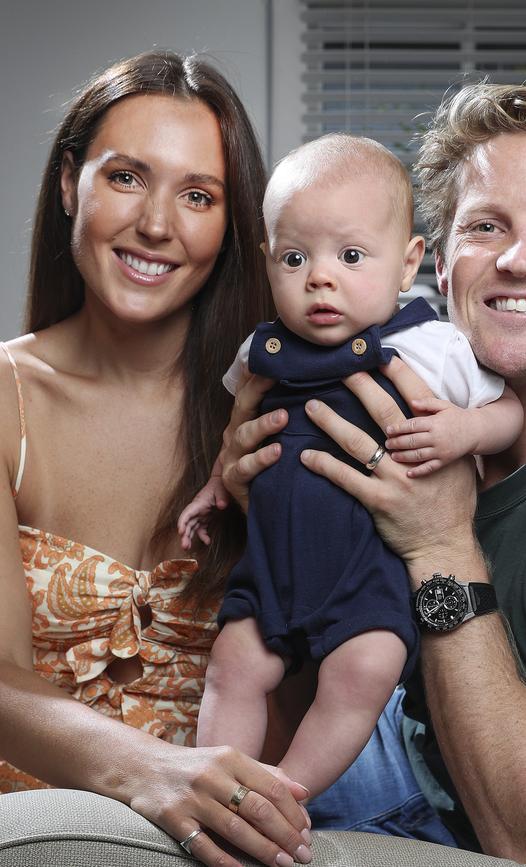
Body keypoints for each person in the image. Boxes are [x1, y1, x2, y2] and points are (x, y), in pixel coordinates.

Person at [215, 83, 526, 866]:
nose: (519, 259)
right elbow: (288, 717)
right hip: (352, 762)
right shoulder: (373, 383)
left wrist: (442, 542)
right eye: (487, 226)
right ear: (438, 265)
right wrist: (269, 512)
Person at [0, 50, 314, 867]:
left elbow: (321, 678)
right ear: (71, 183)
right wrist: (149, 767)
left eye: (199, 196)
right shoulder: (6, 396)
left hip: (239, 828)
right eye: (127, 177)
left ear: (232, 223)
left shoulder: (278, 407)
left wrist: (278, 518)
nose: (158, 225)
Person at [177, 133, 523, 799]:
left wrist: (467, 429)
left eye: (352, 255)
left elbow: (508, 413)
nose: (320, 277)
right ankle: (221, 786)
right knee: (231, 665)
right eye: (295, 257)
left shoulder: (431, 345)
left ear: (408, 263)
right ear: (267, 262)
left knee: (363, 671)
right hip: (272, 562)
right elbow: (235, 438)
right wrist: (213, 487)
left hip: (367, 571)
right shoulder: (264, 346)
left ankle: (285, 792)